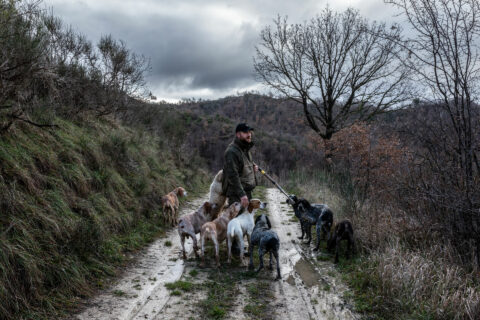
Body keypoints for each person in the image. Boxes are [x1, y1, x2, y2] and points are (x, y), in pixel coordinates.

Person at [222, 123, 258, 211]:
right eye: (246, 132)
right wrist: (242, 195)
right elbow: (233, 175)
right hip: (237, 195)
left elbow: (243, 166)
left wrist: (252, 168)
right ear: (238, 134)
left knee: (246, 222)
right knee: (236, 222)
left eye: (250, 132)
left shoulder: (245, 148)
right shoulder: (232, 152)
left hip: (246, 192)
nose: (249, 135)